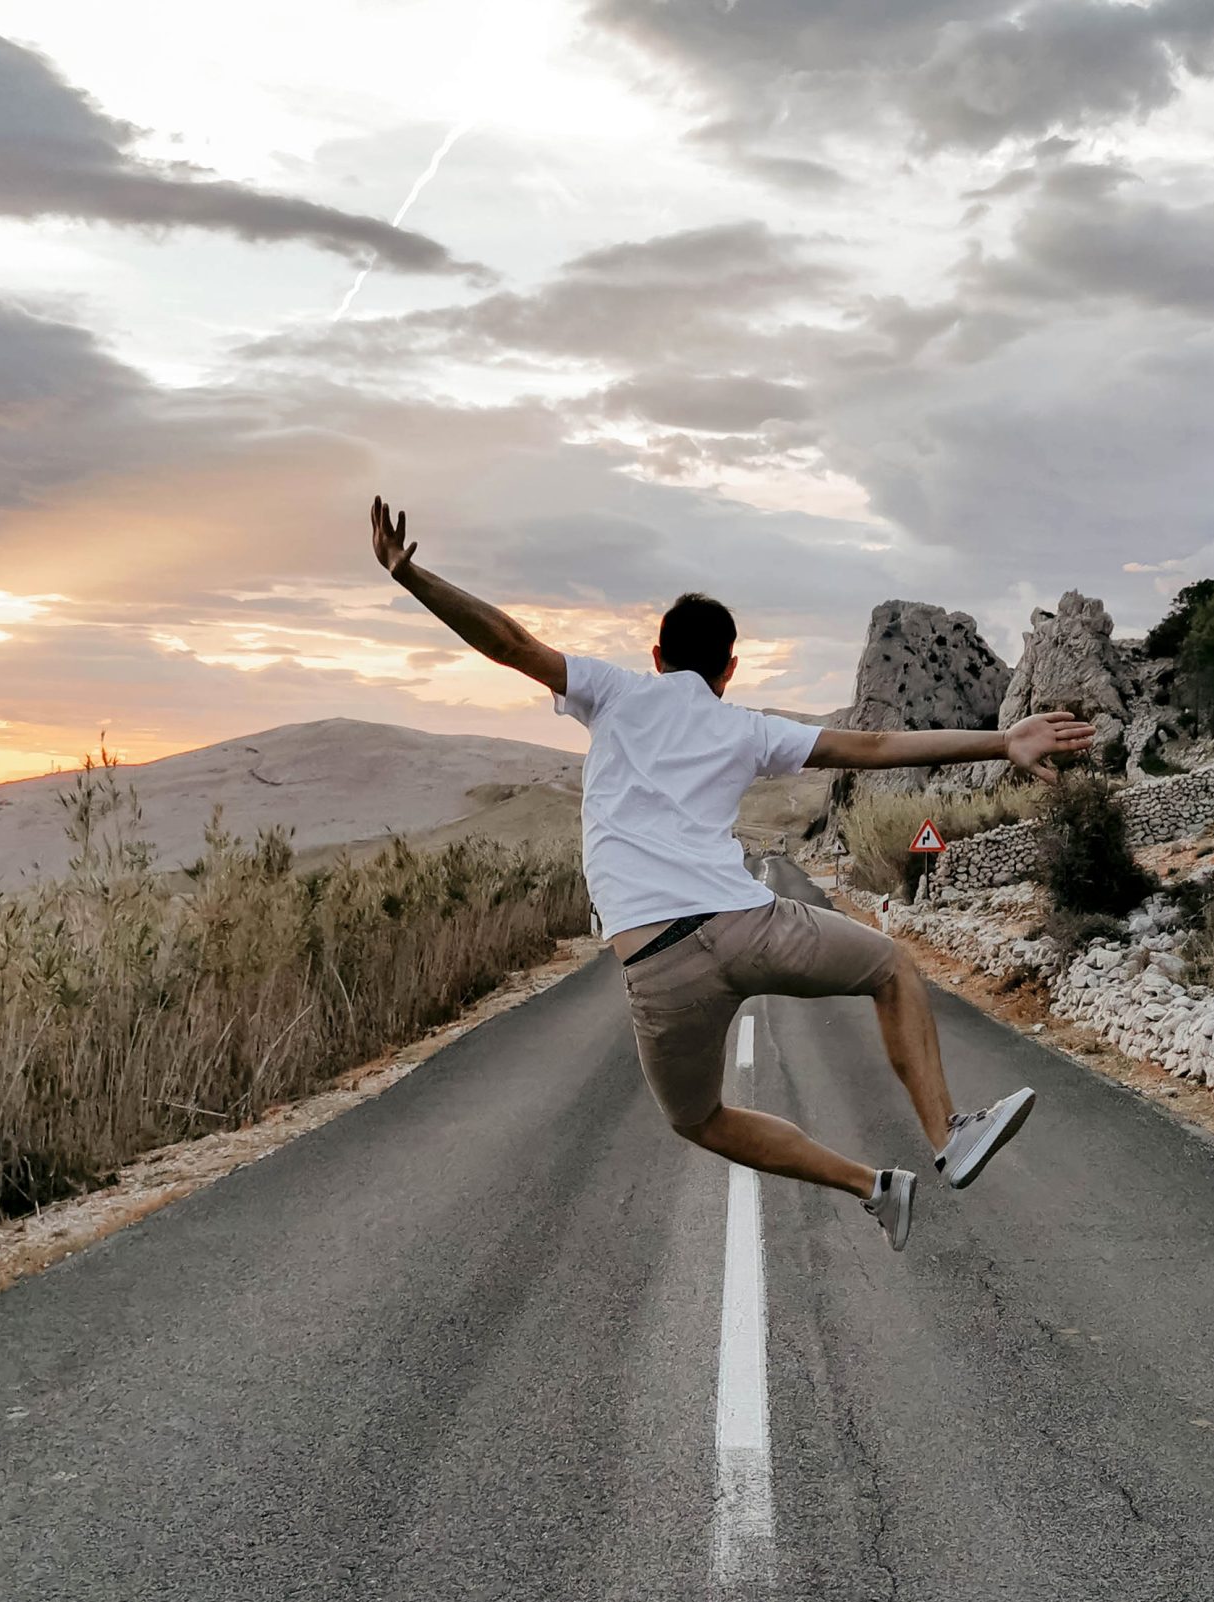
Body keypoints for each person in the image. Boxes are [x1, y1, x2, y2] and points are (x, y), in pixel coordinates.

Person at [369, 497, 1094, 1249]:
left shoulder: (612, 691)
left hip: (658, 964)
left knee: (698, 1118)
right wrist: (1003, 740)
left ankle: (871, 1187)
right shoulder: (746, 728)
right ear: (730, 669)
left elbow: (509, 642)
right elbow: (876, 747)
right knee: (892, 970)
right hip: (749, 924)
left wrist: (411, 576)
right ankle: (948, 1135)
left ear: (657, 656)